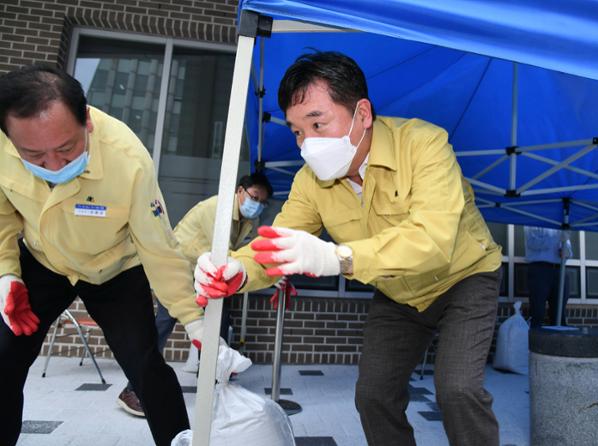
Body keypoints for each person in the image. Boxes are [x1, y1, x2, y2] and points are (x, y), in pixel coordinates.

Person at [194, 52, 504, 446]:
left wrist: (336, 257)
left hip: (465, 278)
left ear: (362, 114)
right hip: (398, 292)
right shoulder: (311, 182)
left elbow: (433, 239)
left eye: (318, 124)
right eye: (297, 132)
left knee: (458, 389)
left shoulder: (424, 144)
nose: (307, 144)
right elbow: (276, 244)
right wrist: (236, 271)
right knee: (373, 394)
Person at [0, 65, 207, 446]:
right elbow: (2, 217)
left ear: (88, 122)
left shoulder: (129, 160)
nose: (54, 166)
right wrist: (6, 274)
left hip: (114, 269)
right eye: (34, 155)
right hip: (44, 263)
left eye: (65, 149)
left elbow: (157, 247)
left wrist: (193, 320)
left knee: (144, 365)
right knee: (3, 358)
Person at [118, 172, 272, 417]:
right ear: (240, 191)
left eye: (263, 203)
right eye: (255, 197)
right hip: (180, 273)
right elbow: (221, 253)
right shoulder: (218, 209)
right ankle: (132, 389)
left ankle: (212, 383)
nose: (258, 205)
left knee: (217, 324)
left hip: (204, 275)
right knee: (162, 327)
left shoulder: (244, 221)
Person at [524, 226, 572, 327]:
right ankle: (535, 342)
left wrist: (566, 251)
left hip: (560, 270)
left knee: (559, 314)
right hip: (540, 269)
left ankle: (558, 342)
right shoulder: (534, 220)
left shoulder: (560, 225)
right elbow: (532, 243)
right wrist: (557, 238)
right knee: (537, 312)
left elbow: (569, 251)